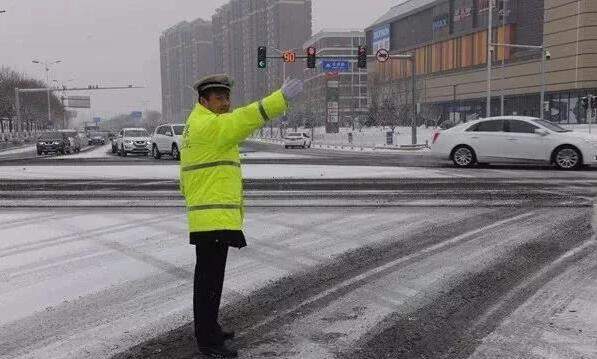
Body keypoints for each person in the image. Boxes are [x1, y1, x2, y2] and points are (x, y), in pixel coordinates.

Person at [179, 74, 304, 358]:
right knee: (209, 283)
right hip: (212, 217)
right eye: (219, 98)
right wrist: (280, 98)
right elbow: (245, 119)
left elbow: (184, 178)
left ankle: (209, 328)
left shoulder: (195, 124)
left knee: (209, 281)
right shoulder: (209, 125)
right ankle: (209, 342)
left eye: (226, 98)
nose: (225, 103)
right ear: (204, 101)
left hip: (208, 216)